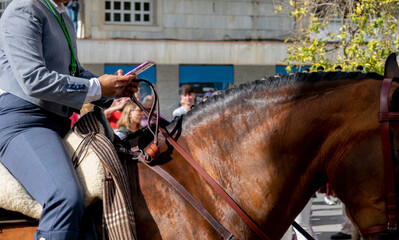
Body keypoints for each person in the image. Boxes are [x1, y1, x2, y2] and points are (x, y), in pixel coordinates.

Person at [0, 0, 138, 239]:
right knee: (64, 196)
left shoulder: (62, 16)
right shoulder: (24, 8)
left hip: (58, 123)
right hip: (24, 122)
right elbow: (33, 80)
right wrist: (97, 87)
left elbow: (73, 72)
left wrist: (111, 89)